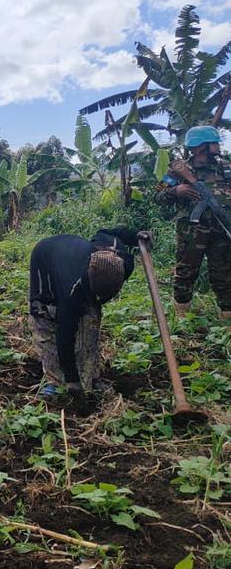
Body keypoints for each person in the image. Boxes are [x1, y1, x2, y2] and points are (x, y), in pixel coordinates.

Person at [28, 227, 140, 412]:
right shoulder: (71, 289)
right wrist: (72, 381)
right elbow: (65, 334)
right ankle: (55, 382)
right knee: (46, 318)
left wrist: (136, 236)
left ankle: (90, 377)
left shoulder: (122, 262)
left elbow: (108, 231)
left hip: (72, 255)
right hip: (45, 258)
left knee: (90, 321)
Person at [154, 125, 231, 318]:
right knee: (186, 272)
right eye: (213, 143)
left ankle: (227, 317)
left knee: (224, 273)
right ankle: (182, 315)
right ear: (201, 146)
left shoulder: (225, 166)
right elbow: (157, 196)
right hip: (190, 232)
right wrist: (175, 191)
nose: (217, 146)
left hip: (221, 230)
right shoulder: (178, 171)